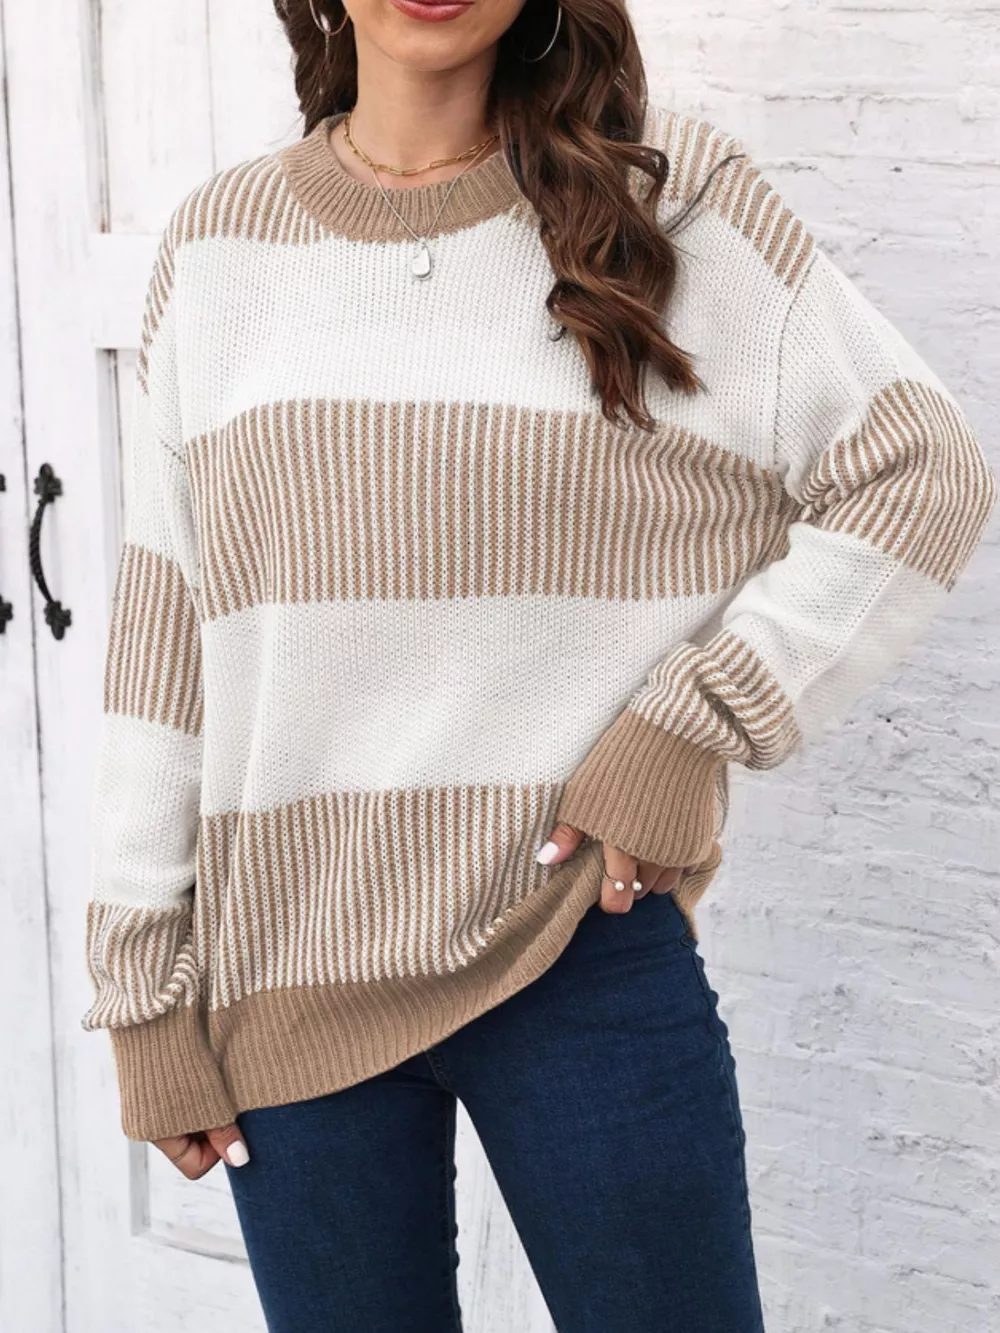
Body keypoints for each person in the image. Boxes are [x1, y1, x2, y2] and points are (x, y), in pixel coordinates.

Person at [79, 0, 995, 1329]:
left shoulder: (667, 202)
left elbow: (917, 471)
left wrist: (691, 722)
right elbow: (168, 627)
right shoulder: (220, 246)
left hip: (578, 948)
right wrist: (141, 990)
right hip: (284, 963)